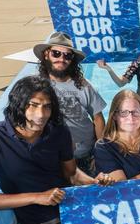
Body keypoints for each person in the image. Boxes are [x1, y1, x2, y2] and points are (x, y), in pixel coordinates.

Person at [0, 76, 110, 224]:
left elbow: (71, 174)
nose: (41, 115)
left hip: (73, 207)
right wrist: (37, 197)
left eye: (47, 107)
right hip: (40, 221)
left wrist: (94, 182)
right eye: (33, 105)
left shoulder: (58, 131)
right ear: (18, 105)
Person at [34, 31, 107, 176]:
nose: (62, 59)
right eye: (56, 53)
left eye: (67, 55)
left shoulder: (83, 85)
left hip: (85, 153)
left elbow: (98, 118)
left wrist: (101, 152)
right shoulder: (36, 86)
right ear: (46, 54)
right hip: (55, 157)